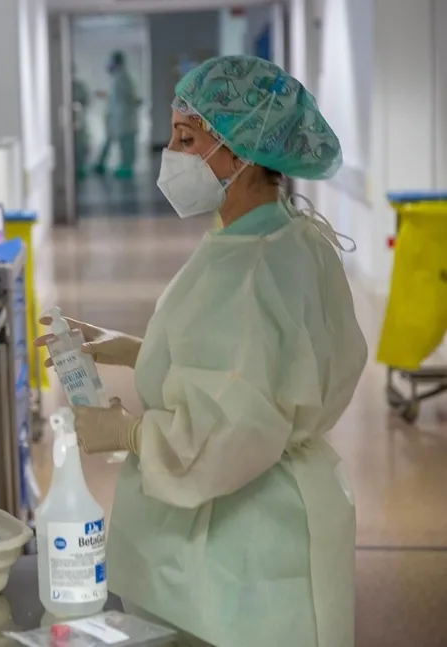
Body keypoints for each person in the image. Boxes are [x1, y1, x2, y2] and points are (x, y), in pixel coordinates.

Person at [36, 55, 367, 647]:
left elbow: (230, 426)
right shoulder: (284, 236)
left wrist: (132, 434)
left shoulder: (253, 269)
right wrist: (136, 351)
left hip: (239, 542)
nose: (171, 154)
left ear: (241, 153)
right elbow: (254, 369)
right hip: (272, 511)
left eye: (187, 139)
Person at [94, 51, 141, 179]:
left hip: (125, 119)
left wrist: (135, 101)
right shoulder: (117, 78)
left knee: (127, 146)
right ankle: (108, 165)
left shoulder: (123, 77)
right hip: (118, 119)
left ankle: (126, 168)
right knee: (119, 143)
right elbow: (117, 97)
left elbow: (129, 97)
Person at [72, 70, 91, 180]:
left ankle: (80, 168)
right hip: (68, 124)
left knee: (80, 146)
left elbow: (86, 101)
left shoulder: (79, 86)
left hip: (79, 121)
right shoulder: (65, 86)